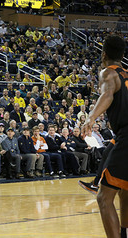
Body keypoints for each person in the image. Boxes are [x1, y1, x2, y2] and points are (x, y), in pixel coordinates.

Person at [81, 35, 128, 238]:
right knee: (125, 190)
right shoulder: (127, 75)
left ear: (104, 54)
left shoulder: (108, 73)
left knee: (104, 197)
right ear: (123, 55)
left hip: (126, 135)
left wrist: (91, 117)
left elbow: (107, 93)